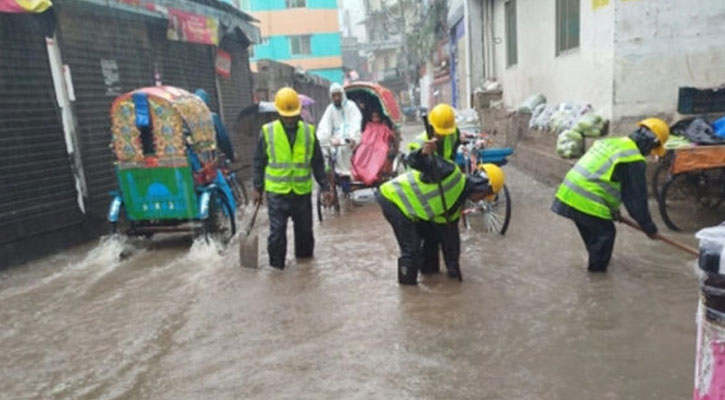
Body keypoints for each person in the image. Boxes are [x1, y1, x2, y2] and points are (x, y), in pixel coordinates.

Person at [552, 118, 670, 272]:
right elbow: (635, 199)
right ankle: (597, 280)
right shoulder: (632, 158)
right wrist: (649, 227)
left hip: (568, 193)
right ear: (652, 142)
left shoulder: (614, 143)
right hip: (585, 199)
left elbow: (604, 179)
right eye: (652, 150)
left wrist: (613, 211)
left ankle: (595, 265)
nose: (649, 154)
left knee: (597, 236)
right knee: (605, 234)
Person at [376, 148, 505, 285]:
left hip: (412, 209)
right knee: (412, 249)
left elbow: (451, 240)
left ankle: (429, 276)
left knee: (432, 240)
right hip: (393, 198)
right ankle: (408, 290)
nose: (481, 200)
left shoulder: (456, 205)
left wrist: (453, 269)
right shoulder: (451, 173)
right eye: (484, 196)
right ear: (483, 188)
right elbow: (416, 161)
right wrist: (423, 153)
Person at [252, 87, 333, 270]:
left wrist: (326, 187)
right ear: (279, 113)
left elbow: (318, 163)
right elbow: (258, 161)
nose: (290, 119)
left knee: (305, 236)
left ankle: (305, 272)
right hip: (277, 193)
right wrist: (258, 187)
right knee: (277, 235)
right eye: (286, 115)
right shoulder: (267, 131)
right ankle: (276, 270)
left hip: (302, 194)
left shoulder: (308, 132)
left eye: (293, 115)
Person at [407, 103, 462, 275]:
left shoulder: (454, 133)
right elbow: (412, 163)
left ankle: (453, 270)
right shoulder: (418, 143)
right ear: (431, 127)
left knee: (451, 240)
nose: (442, 135)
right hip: (427, 198)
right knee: (429, 242)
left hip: (447, 194)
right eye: (439, 132)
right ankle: (430, 274)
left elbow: (452, 155)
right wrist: (423, 153)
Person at [316, 83, 363, 177]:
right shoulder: (330, 109)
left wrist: (351, 137)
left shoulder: (351, 106)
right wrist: (323, 138)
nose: (336, 98)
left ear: (342, 94)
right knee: (323, 150)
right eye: (334, 95)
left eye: (338, 95)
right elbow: (324, 126)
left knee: (343, 149)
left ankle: (346, 176)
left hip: (350, 139)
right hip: (335, 140)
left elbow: (355, 124)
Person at [351, 110, 396, 185]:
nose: (375, 118)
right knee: (361, 152)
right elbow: (365, 136)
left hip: (380, 145)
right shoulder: (369, 125)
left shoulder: (384, 127)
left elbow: (390, 136)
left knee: (379, 154)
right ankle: (361, 174)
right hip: (367, 144)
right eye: (373, 117)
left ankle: (372, 175)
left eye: (377, 117)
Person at [195, 89, 235, 162]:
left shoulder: (188, 120)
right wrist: (230, 155)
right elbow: (223, 139)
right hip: (210, 160)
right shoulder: (212, 117)